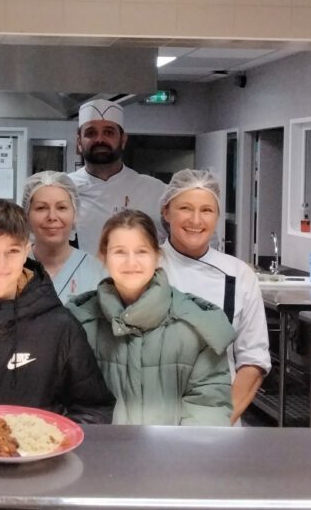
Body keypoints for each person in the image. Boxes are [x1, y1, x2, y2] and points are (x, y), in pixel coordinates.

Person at [0, 198, 115, 424]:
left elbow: (95, 408)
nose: (0, 263)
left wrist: (50, 442)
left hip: (36, 457)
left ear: (26, 252)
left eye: (12, 251)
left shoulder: (60, 327)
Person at [68, 210, 235, 425]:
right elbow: (68, 401)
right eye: (120, 252)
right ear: (103, 256)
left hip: (174, 456)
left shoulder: (196, 325)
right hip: (99, 454)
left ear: (157, 256)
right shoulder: (79, 322)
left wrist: (179, 456)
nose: (131, 262)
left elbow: (208, 406)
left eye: (141, 251)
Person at [158, 169, 271, 424]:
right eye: (185, 208)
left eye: (207, 210)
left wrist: (218, 421)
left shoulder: (239, 275)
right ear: (166, 212)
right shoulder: (143, 267)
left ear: (218, 216)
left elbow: (253, 358)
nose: (196, 220)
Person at [69, 99, 167, 256]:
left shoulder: (155, 190)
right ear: (79, 142)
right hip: (80, 279)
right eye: (91, 133)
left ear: (123, 140)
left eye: (109, 132)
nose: (100, 139)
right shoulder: (64, 189)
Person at [22, 170, 107, 302]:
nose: (52, 217)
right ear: (27, 215)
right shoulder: (13, 267)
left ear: (75, 214)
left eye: (61, 207)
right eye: (41, 208)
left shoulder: (97, 273)